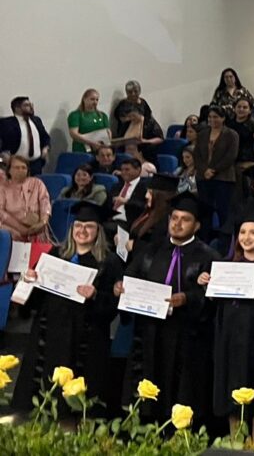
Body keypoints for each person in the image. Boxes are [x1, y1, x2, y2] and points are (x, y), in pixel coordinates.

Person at [117, 192, 221, 418]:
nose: (177, 223)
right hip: (149, 331)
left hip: (186, 334)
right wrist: (120, 287)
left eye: (185, 219)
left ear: (196, 226)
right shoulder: (151, 249)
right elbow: (131, 277)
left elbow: (212, 298)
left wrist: (187, 298)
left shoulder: (209, 256)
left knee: (181, 389)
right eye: (174, 218)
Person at [12, 201, 123, 411]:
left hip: (84, 338)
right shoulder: (54, 254)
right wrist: (30, 281)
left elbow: (114, 307)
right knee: (41, 393)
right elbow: (33, 301)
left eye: (89, 226)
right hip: (48, 332)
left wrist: (96, 295)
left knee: (75, 402)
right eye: (78, 226)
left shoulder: (110, 262)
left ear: (98, 231)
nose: (82, 231)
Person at [200, 210, 254, 442]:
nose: (247, 237)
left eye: (253, 233)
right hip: (230, 338)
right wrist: (207, 286)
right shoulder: (225, 266)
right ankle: (237, 444)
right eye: (242, 232)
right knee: (232, 391)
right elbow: (212, 305)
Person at [195, 105, 239, 231]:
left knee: (223, 210)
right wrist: (204, 170)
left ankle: (224, 240)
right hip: (203, 177)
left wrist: (213, 170)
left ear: (223, 118)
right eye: (210, 117)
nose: (212, 120)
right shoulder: (202, 134)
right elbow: (197, 155)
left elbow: (230, 156)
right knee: (204, 211)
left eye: (215, 117)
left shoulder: (232, 135)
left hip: (223, 177)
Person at [1, 154, 52, 243]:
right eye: (17, 168)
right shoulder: (3, 188)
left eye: (23, 167)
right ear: (9, 170)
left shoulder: (37, 183)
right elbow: (1, 213)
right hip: (11, 232)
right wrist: (22, 229)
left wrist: (43, 221)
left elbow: (45, 203)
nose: (21, 170)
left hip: (37, 229)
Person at [0, 96, 51, 174]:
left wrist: (46, 148)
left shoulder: (36, 120)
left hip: (36, 163)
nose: (31, 107)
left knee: (34, 184)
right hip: (16, 164)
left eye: (31, 104)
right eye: (27, 105)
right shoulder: (6, 123)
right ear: (17, 108)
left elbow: (45, 137)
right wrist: (3, 156)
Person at [68, 88, 111, 153]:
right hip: (82, 150)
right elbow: (74, 134)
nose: (95, 102)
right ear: (84, 99)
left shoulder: (102, 115)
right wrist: (91, 143)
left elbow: (108, 131)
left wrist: (107, 141)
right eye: (92, 99)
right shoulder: (75, 115)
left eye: (97, 100)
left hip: (100, 149)